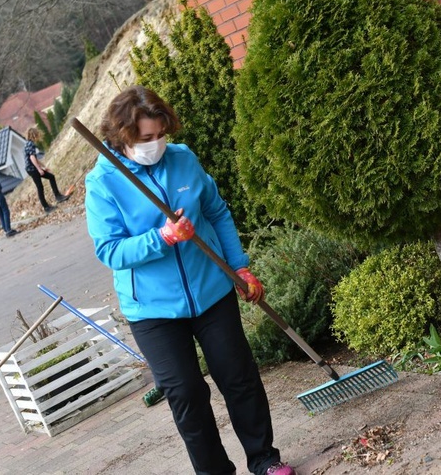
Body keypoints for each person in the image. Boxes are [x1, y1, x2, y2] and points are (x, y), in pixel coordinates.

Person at [84, 85, 296, 475]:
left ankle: (265, 459)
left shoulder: (183, 159)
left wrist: (240, 266)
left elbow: (216, 211)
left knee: (239, 377)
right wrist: (161, 238)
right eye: (146, 138)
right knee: (186, 394)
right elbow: (110, 251)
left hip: (211, 291)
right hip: (152, 309)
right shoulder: (103, 182)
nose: (157, 144)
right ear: (122, 136)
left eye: (161, 134)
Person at [25, 127, 70, 214]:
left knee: (51, 177)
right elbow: (32, 157)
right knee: (40, 187)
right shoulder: (31, 144)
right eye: (37, 135)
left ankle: (58, 196)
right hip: (32, 169)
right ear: (34, 135)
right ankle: (46, 207)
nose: (38, 137)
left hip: (31, 168)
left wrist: (44, 167)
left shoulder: (27, 143)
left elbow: (34, 159)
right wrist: (39, 169)